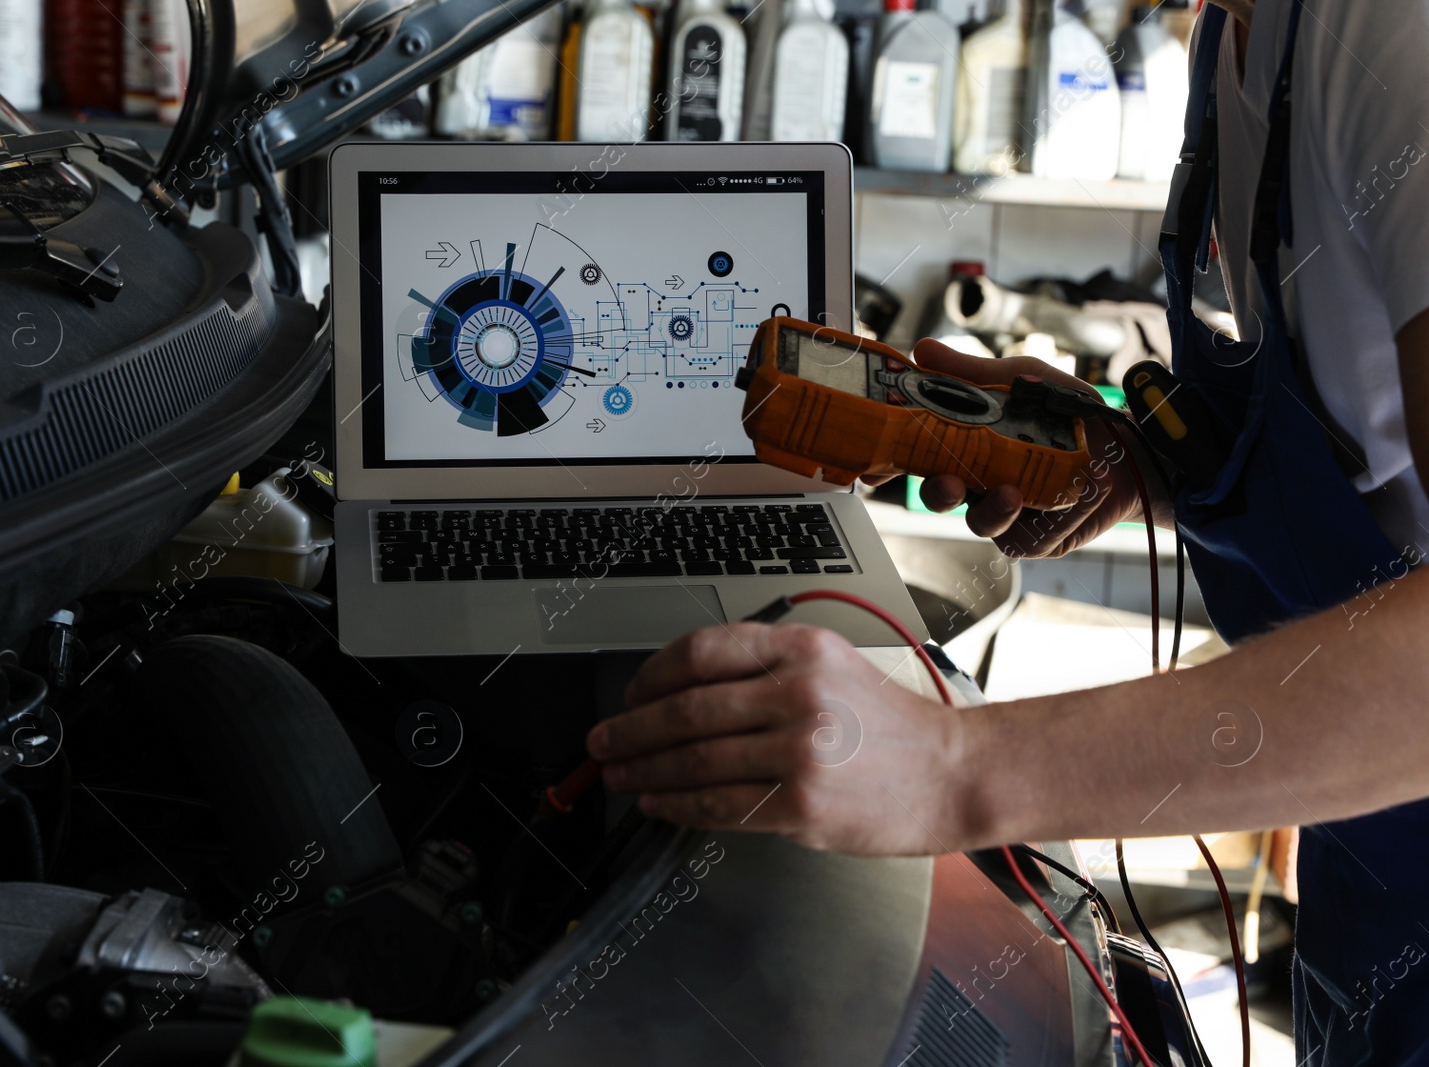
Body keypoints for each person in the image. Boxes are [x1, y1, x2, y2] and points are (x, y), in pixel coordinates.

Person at [586, 1, 1429, 1063]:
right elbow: (1369, 457)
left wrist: (951, 769)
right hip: (1368, 865)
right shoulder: (1238, 34)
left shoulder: (1396, 37)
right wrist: (1134, 461)